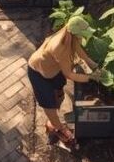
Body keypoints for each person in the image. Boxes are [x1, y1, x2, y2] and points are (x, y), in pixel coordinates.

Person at [27, 15, 98, 150]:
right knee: (49, 105)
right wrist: (91, 77)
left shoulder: (71, 36)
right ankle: (56, 127)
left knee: (59, 94)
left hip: (52, 70)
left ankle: (54, 121)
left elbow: (81, 53)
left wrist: (95, 66)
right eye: (82, 34)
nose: (84, 36)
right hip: (38, 74)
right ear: (75, 33)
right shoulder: (60, 48)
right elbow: (69, 74)